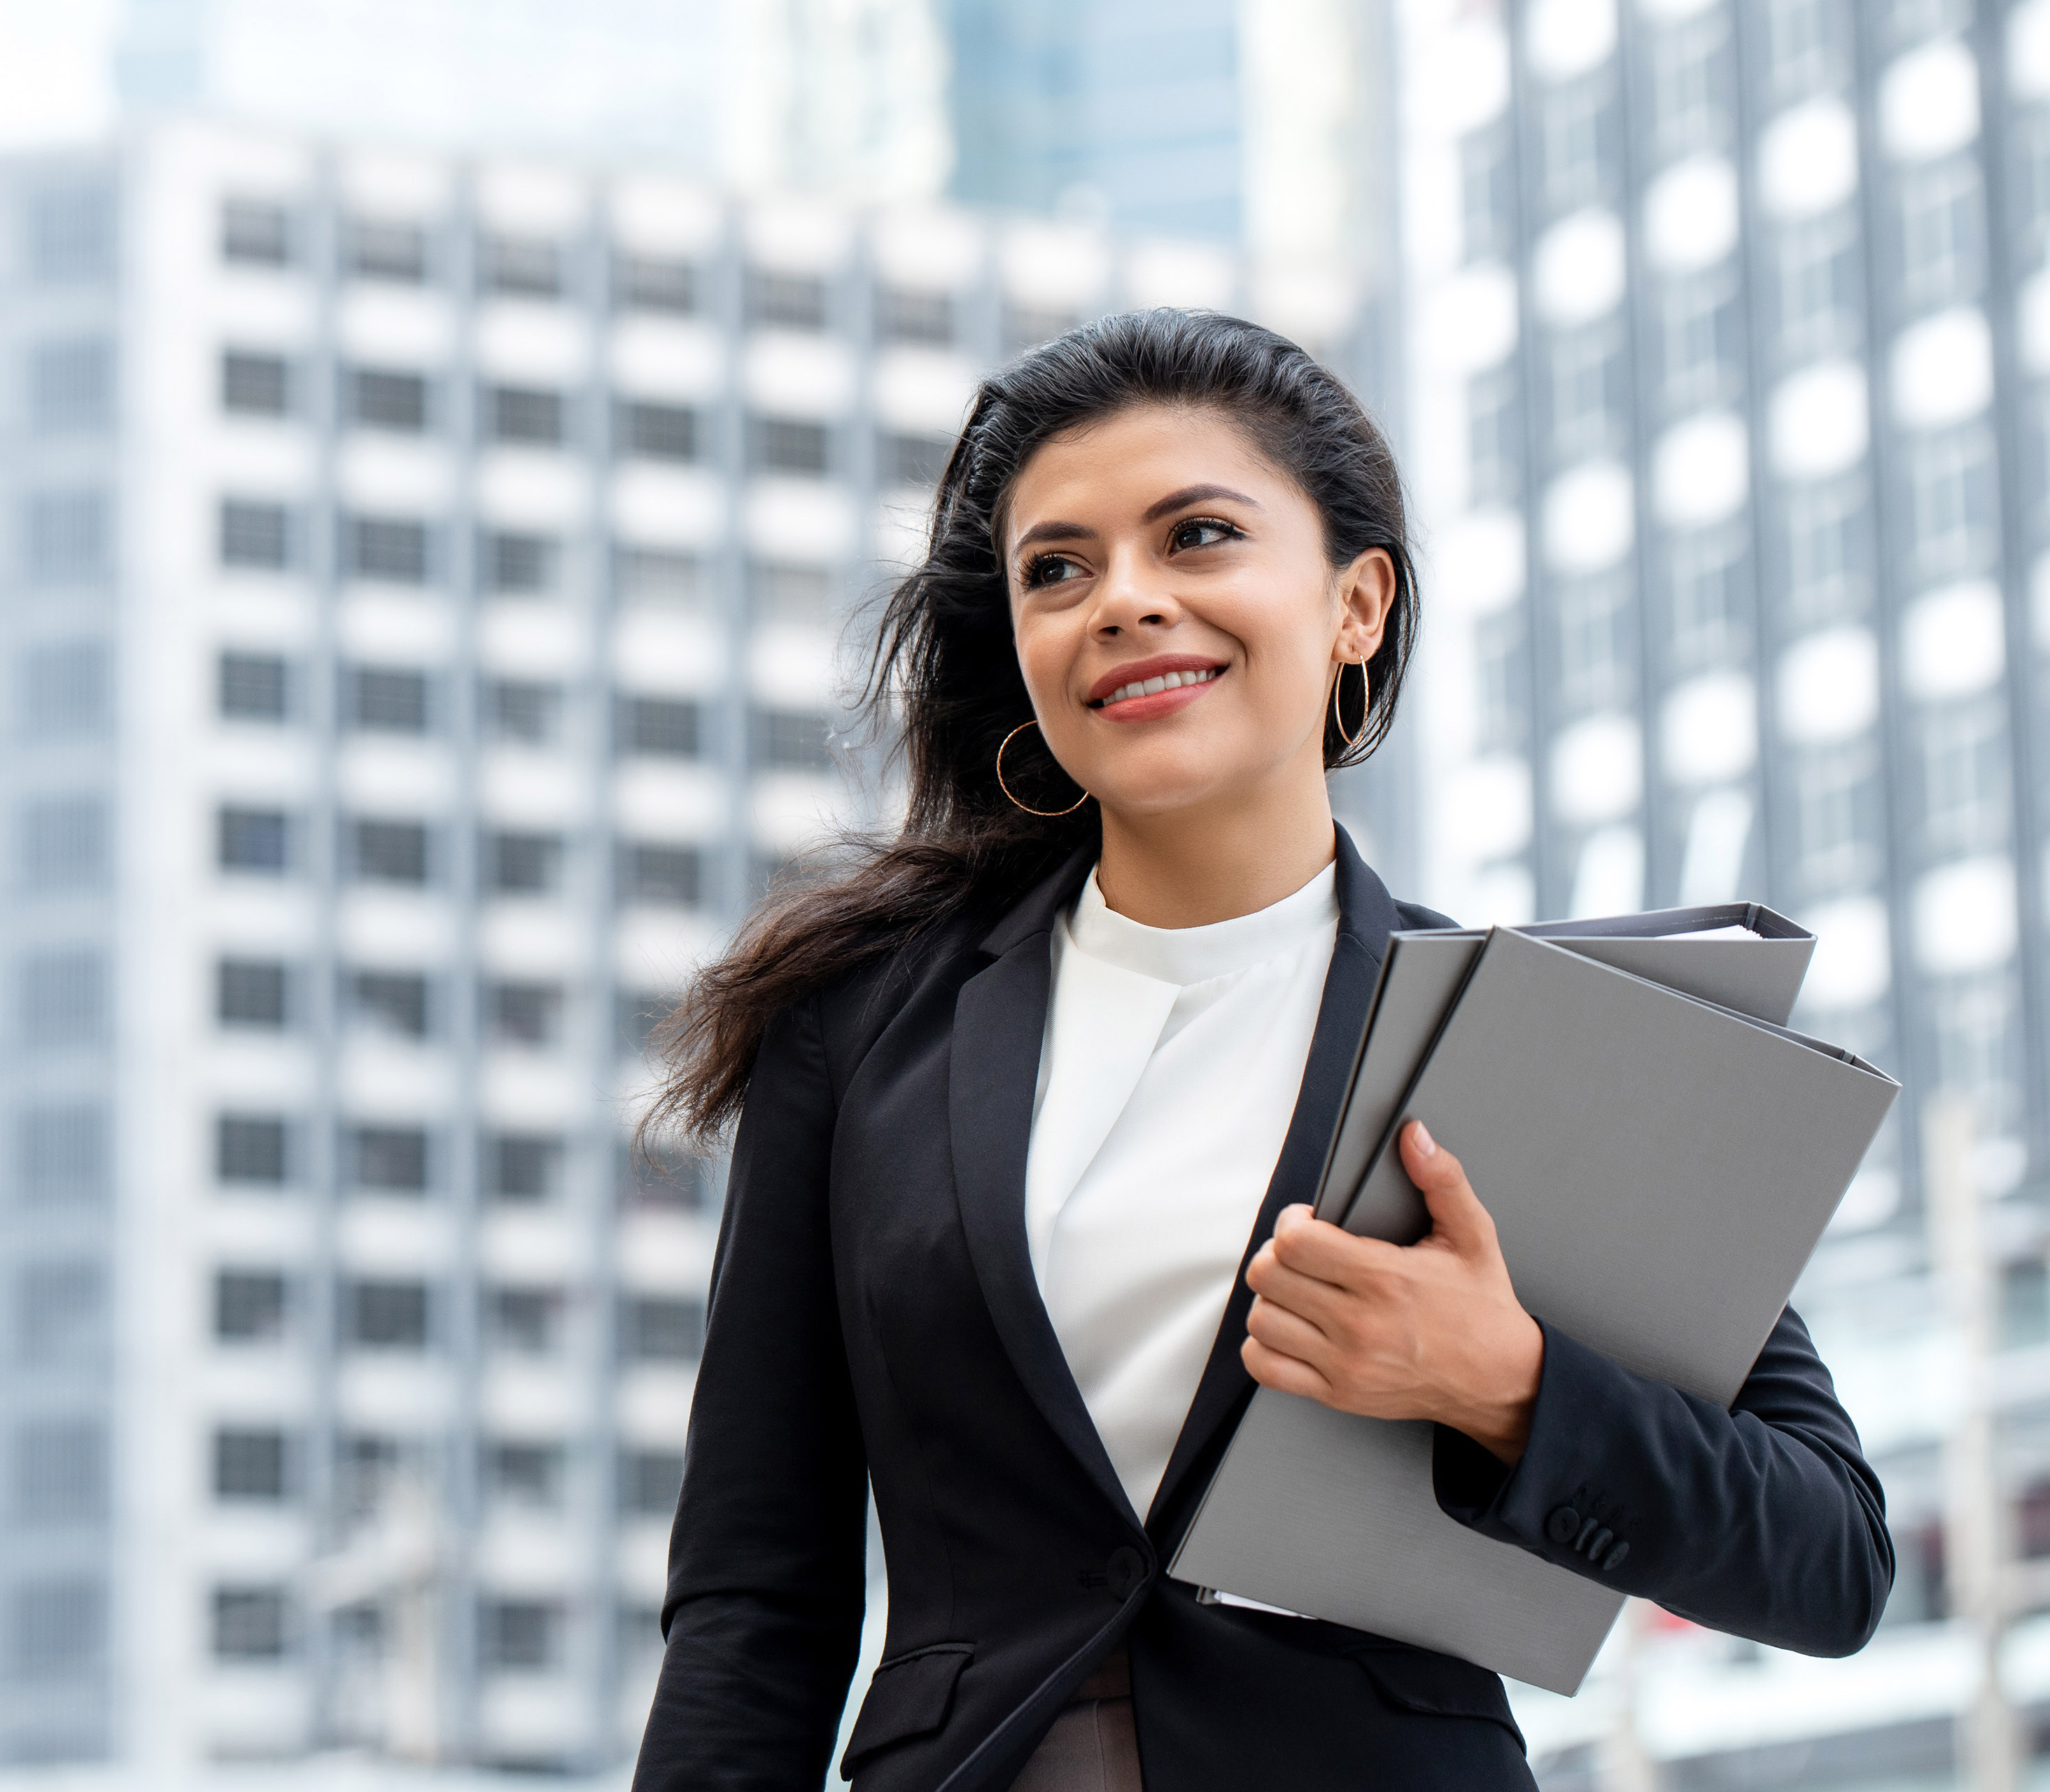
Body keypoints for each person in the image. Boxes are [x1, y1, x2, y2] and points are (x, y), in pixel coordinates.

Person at [631, 311, 1891, 1791]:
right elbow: (754, 1603)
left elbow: (1831, 1551)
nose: (1124, 600)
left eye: (1199, 535)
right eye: (1060, 569)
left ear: (1356, 602)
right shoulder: (858, 1038)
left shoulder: (1534, 1043)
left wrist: (1509, 1383)